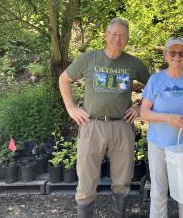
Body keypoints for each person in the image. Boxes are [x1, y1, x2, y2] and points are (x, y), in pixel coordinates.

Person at [58, 18, 150, 218]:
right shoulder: (89, 59)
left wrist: (140, 106)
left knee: (122, 181)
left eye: (122, 35)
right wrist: (71, 108)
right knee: (87, 181)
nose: (118, 39)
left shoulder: (134, 63)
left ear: (127, 39)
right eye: (114, 34)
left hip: (122, 127)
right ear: (106, 36)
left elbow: (154, 86)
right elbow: (64, 79)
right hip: (92, 125)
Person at [140, 37, 183, 218]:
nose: (177, 56)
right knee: (159, 192)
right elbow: (144, 113)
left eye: (182, 53)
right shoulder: (156, 80)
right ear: (165, 55)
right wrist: (167, 118)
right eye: (173, 52)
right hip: (159, 145)